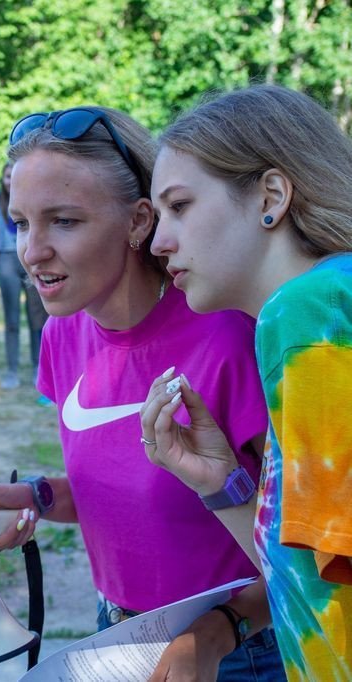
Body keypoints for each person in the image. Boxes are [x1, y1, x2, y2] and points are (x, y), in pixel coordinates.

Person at [0, 106, 284, 680]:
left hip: (238, 651)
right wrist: (39, 497)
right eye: (19, 222)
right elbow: (125, 498)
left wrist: (217, 633)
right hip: (117, 635)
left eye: (63, 221)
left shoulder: (228, 335)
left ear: (140, 222)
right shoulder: (62, 334)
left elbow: (304, 550)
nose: (32, 251)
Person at [142, 85, 352, 681]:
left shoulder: (306, 312)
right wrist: (218, 481)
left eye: (179, 207)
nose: (158, 242)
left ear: (271, 195)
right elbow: (315, 578)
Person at [0, 160, 47, 390]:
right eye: (6, 177)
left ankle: (39, 366)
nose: (10, 181)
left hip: (30, 258)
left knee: (38, 316)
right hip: (6, 257)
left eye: (12, 176)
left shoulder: (32, 200)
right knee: (11, 319)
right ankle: (11, 370)